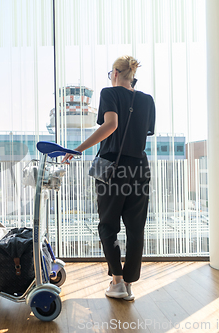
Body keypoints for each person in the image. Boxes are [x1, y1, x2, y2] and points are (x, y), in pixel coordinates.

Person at [62, 55, 155, 301]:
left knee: (108, 225)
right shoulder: (147, 100)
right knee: (136, 228)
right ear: (132, 76)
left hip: (112, 168)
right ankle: (130, 285)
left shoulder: (109, 93)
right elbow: (143, 133)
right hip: (139, 168)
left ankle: (117, 282)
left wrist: (77, 150)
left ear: (115, 73)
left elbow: (111, 125)